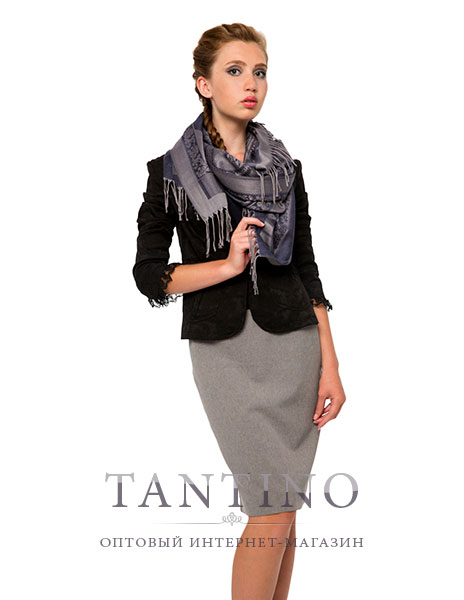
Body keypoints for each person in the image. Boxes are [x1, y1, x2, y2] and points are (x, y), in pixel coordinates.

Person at [133, 22, 346, 600]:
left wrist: (330, 363)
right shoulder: (169, 173)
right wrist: (226, 266)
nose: (251, 84)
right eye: (234, 71)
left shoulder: (285, 168)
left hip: (294, 345)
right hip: (224, 349)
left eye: (260, 72)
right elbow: (149, 276)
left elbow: (306, 268)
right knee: (270, 506)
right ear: (203, 84)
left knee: (285, 509)